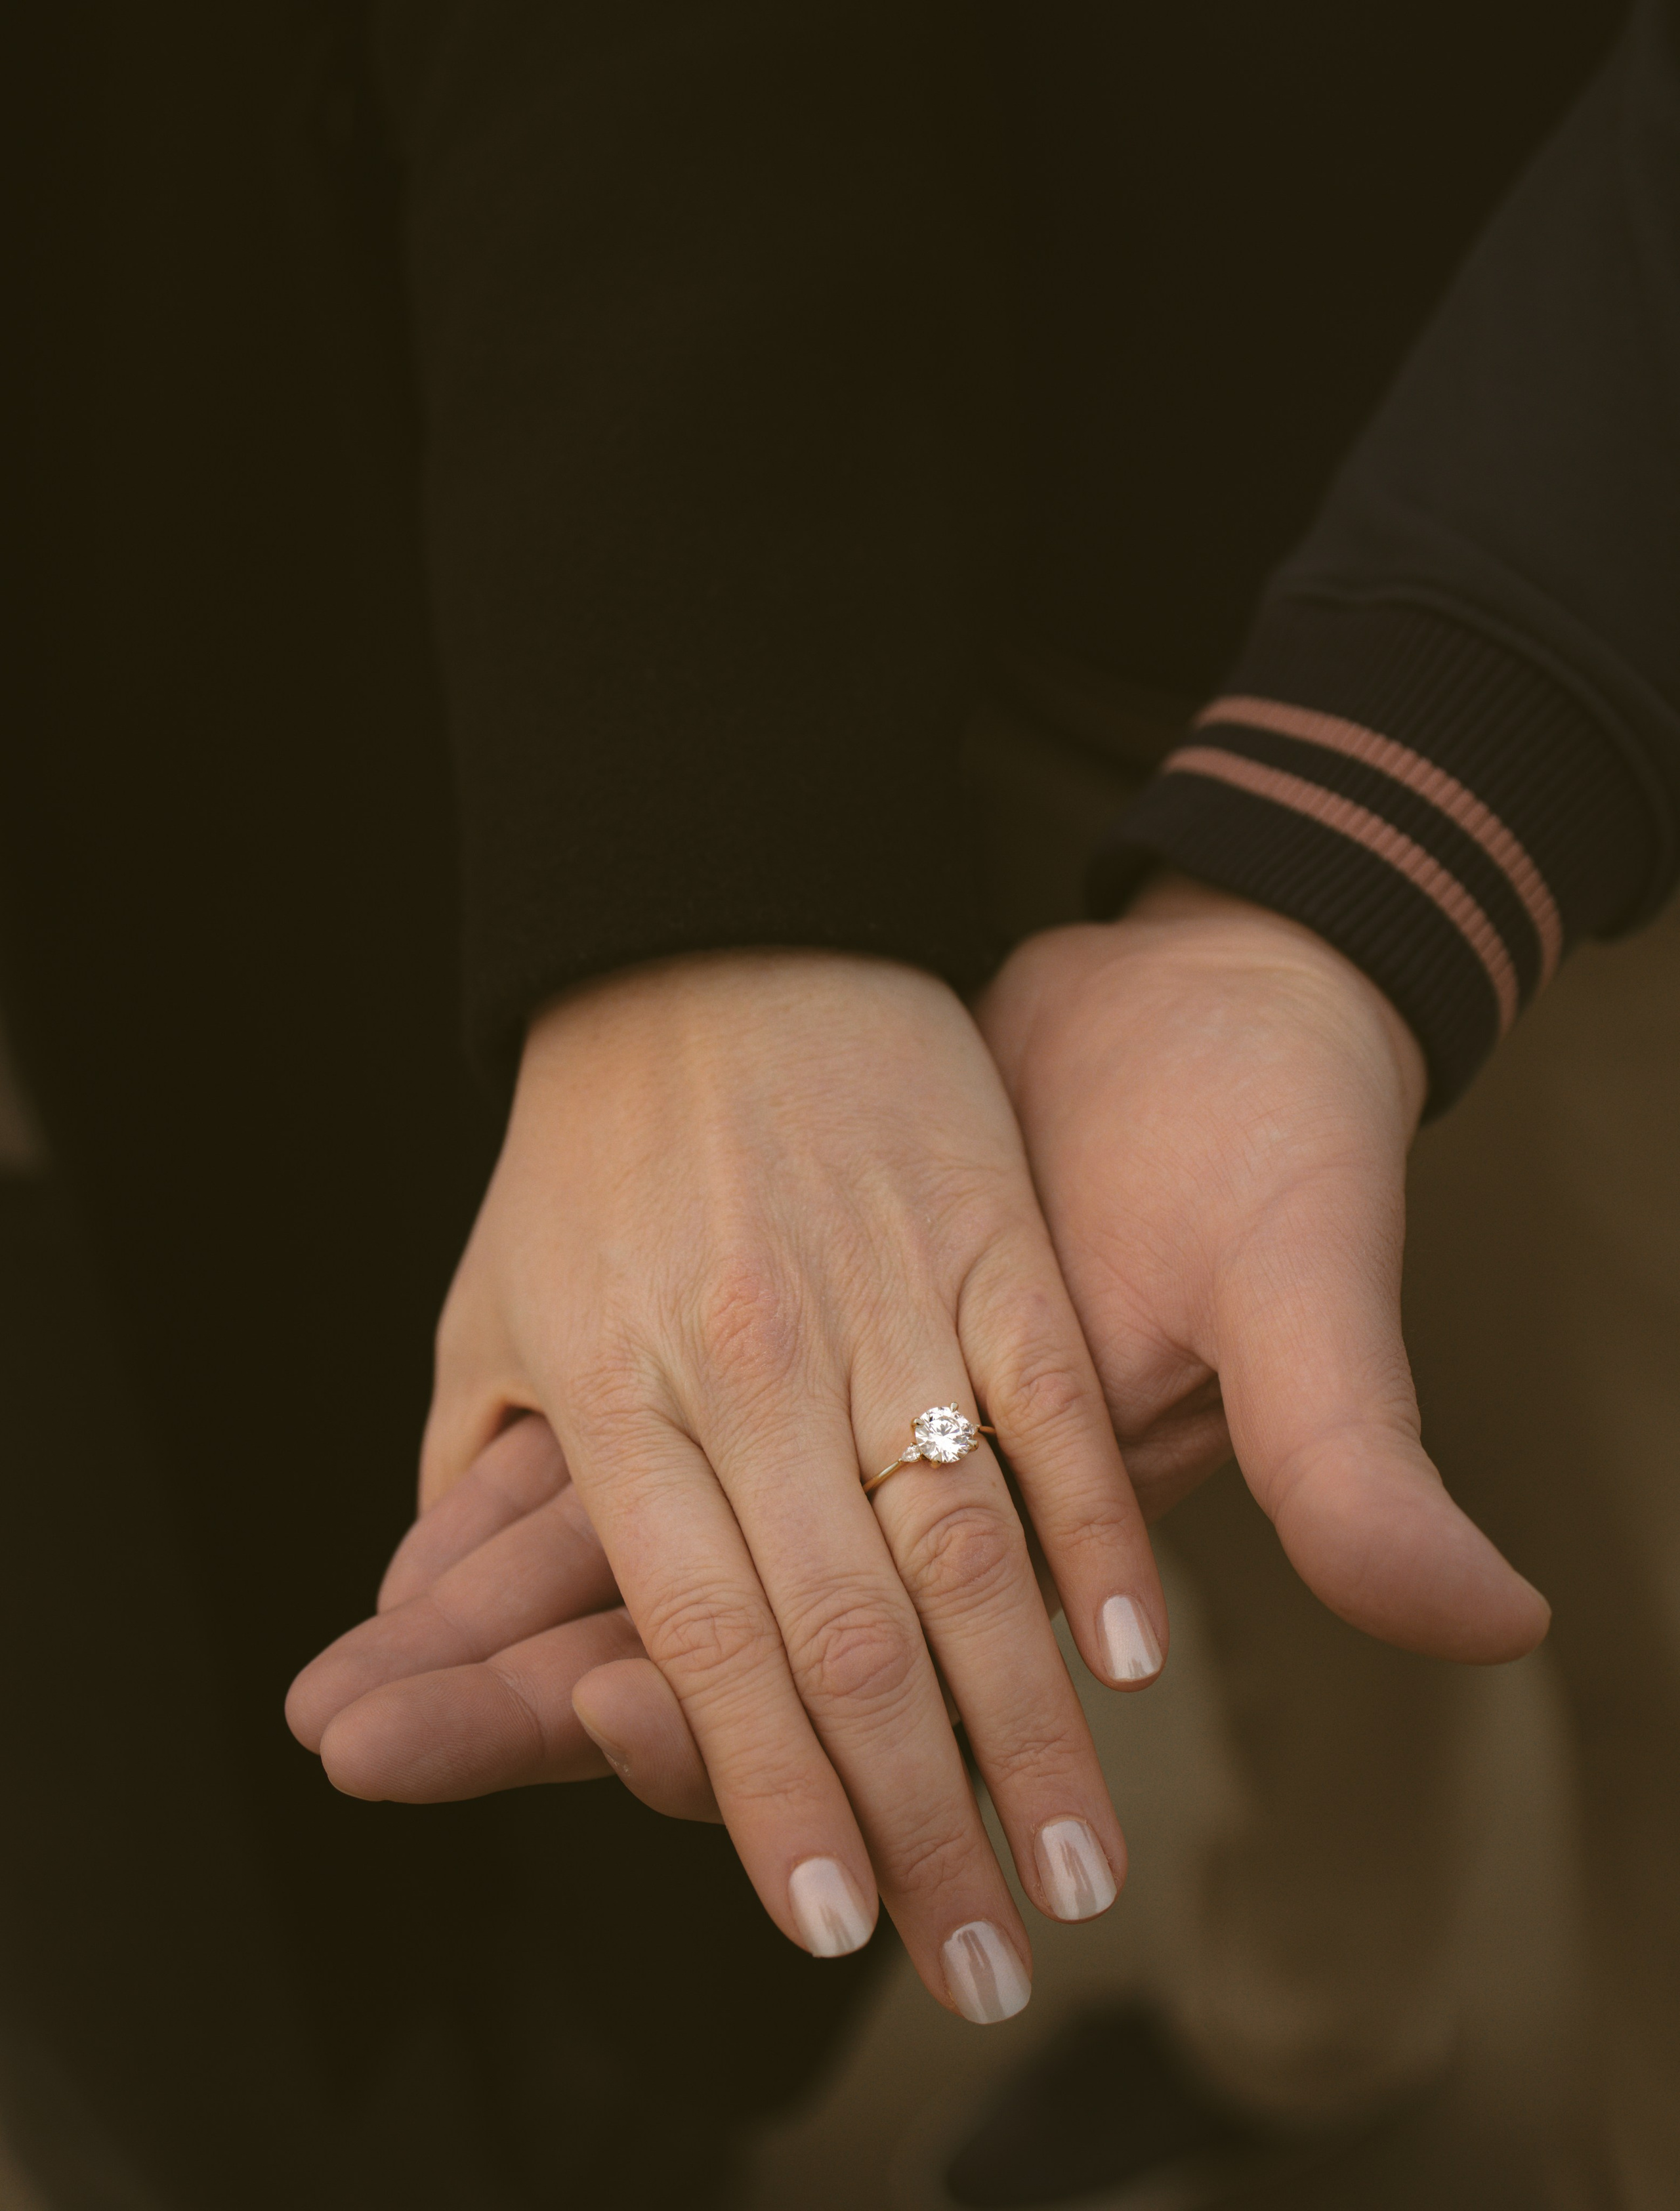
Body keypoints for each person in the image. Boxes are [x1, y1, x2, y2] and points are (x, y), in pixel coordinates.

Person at [3, 4, 1668, 2210]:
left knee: (1629, 1582)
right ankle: (1306, 2021)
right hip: (969, 623)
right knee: (1176, 1475)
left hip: (1602, 766)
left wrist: (1414, 794)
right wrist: (722, 868)